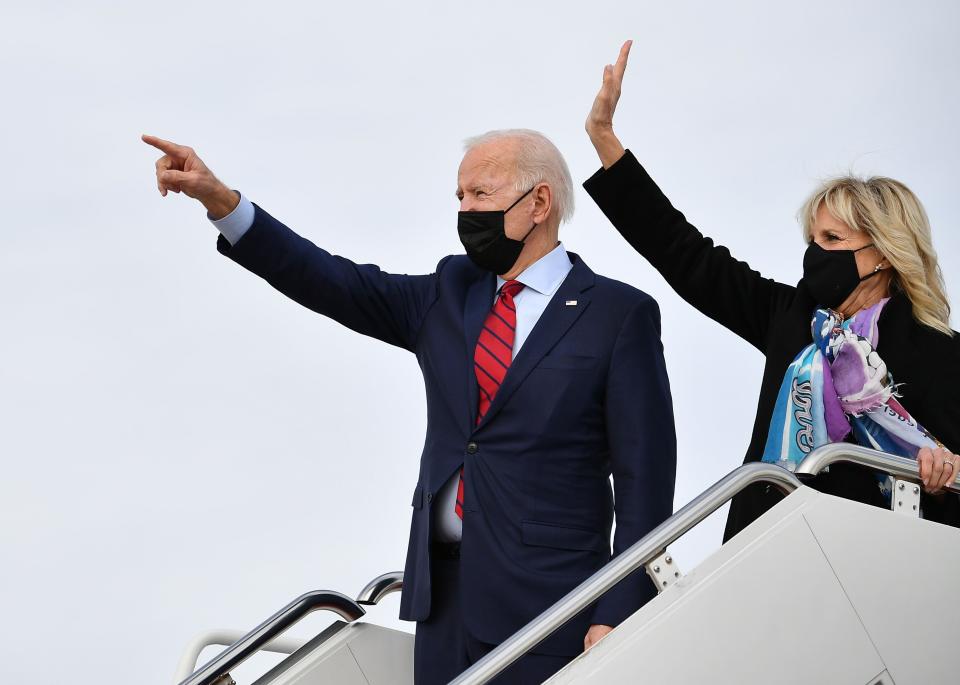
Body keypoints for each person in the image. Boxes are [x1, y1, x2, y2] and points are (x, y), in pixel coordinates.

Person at [142, 128, 677, 684]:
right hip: (442, 608)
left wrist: (617, 610)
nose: (465, 210)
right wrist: (221, 201)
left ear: (539, 203)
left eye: (480, 194)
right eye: (460, 197)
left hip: (553, 611)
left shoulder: (618, 315)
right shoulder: (448, 294)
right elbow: (333, 281)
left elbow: (646, 478)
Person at [581, 41, 960, 542]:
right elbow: (687, 255)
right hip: (773, 551)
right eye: (811, 240)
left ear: (883, 253)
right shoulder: (791, 316)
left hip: (877, 571)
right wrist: (605, 139)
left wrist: (943, 475)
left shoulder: (938, 349)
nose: (815, 255)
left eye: (832, 240)